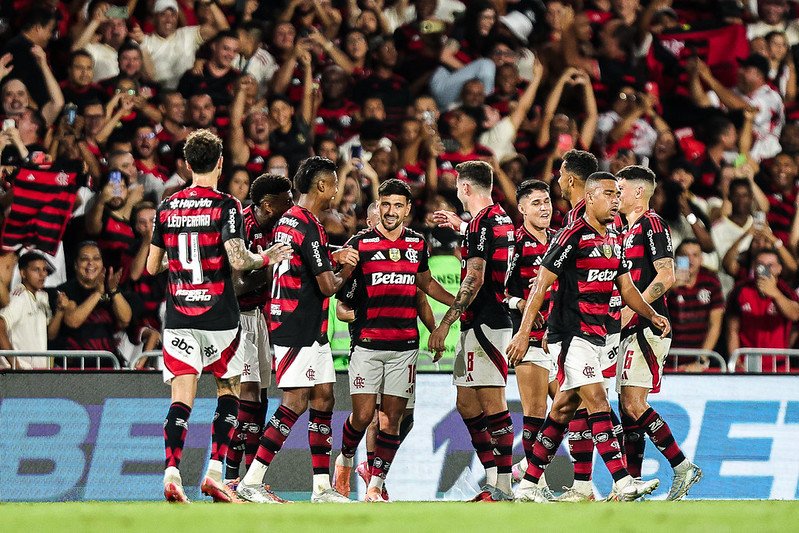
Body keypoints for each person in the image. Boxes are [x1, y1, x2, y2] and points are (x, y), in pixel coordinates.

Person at [145, 129, 291, 504]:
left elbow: (151, 266)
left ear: (188, 164)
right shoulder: (226, 206)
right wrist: (269, 257)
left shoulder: (167, 206)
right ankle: (214, 473)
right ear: (221, 164)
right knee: (228, 391)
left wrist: (177, 262)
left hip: (179, 315)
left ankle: (172, 473)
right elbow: (239, 260)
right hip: (220, 317)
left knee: (182, 398)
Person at [506, 171, 667, 503]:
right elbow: (540, 285)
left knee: (563, 410)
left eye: (616, 195)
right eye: (608, 194)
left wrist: (651, 314)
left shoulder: (611, 239)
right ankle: (623, 481)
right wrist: (524, 333)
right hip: (569, 335)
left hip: (597, 337)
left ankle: (527, 483)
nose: (615, 200)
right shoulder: (570, 236)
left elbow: (627, 288)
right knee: (597, 401)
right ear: (590, 197)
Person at [236, 157, 358, 504]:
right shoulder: (305, 224)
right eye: (334, 182)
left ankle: (321, 488)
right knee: (295, 401)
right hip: (295, 324)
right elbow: (328, 287)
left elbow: (311, 261)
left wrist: (334, 257)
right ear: (321, 186)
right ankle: (252, 479)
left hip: (307, 325)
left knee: (324, 397)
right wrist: (347, 266)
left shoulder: (292, 222)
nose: (337, 189)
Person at [332, 179, 454, 502]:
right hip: (368, 343)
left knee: (393, 419)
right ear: (379, 205)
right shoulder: (360, 243)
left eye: (398, 205)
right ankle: (345, 459)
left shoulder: (417, 245)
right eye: (385, 204)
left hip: (404, 346)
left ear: (408, 210)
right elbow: (341, 293)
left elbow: (425, 286)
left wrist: (457, 302)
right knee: (361, 417)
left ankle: (375, 485)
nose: (390, 211)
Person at [428, 160, 516, 502]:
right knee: (466, 403)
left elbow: (475, 276)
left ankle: (503, 486)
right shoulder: (498, 218)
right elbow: (488, 244)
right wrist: (462, 226)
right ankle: (494, 478)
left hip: (487, 322)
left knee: (493, 404)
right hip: (481, 322)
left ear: (465, 188)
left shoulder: (482, 224)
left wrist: (446, 322)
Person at [615, 165, 703, 501]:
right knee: (627, 411)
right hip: (628, 328)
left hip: (646, 326)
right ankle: (631, 485)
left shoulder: (652, 224)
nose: (615, 195)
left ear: (639, 192)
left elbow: (666, 276)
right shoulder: (625, 229)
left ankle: (683, 467)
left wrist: (633, 310)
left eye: (619, 188)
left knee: (635, 405)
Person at [223, 173, 293, 494]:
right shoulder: (244, 226)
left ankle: (240, 482)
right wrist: (269, 263)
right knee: (248, 399)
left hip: (261, 318)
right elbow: (238, 287)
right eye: (286, 198)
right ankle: (240, 481)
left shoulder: (280, 227)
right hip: (237, 318)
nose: (291, 203)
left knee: (261, 401)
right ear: (267, 204)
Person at [504, 180, 559, 496]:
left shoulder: (558, 241)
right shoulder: (516, 243)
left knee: (571, 411)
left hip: (559, 340)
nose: (544, 208)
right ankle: (535, 486)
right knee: (536, 414)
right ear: (522, 208)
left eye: (547, 201)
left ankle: (526, 468)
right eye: (536, 202)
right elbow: (498, 291)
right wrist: (520, 304)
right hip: (528, 340)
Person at [727, 248, 799, 372]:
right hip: (747, 364)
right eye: (760, 265)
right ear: (754, 266)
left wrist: (775, 294)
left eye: (770, 265)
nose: (764, 269)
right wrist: (736, 361)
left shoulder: (786, 292)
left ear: (779, 268)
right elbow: (732, 330)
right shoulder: (739, 291)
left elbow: (795, 315)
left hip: (778, 365)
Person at [667, 239, 725, 371]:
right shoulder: (665, 279)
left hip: (699, 359)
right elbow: (651, 311)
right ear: (676, 258)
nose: (690, 260)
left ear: (701, 259)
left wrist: (701, 360)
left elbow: (714, 325)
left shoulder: (711, 282)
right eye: (685, 255)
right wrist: (669, 288)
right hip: (668, 358)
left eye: (695, 255)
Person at [0, 251, 64, 369]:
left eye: (44, 269)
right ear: (23, 273)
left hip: (36, 375)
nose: (42, 274)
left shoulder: (42, 297)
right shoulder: (18, 297)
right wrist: (15, 364)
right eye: (36, 270)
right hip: (19, 375)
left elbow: (50, 335)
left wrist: (60, 310)